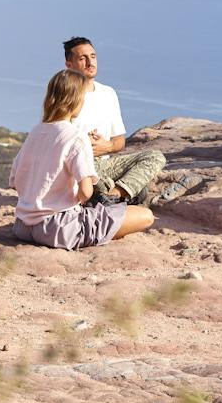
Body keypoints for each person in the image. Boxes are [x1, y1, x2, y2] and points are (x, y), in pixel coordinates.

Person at [10, 67, 155, 250]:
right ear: (75, 99)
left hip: (23, 226)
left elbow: (14, 181)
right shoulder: (76, 137)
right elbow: (86, 192)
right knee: (145, 216)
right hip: (59, 229)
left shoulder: (35, 132)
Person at [63, 36, 167, 204]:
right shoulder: (64, 94)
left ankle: (113, 195)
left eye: (93, 56)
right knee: (131, 188)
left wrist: (108, 146)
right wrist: (83, 144)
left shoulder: (108, 93)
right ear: (69, 65)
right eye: (83, 58)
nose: (90, 62)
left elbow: (119, 141)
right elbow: (53, 137)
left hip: (106, 164)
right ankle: (119, 194)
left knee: (155, 157)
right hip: (78, 167)